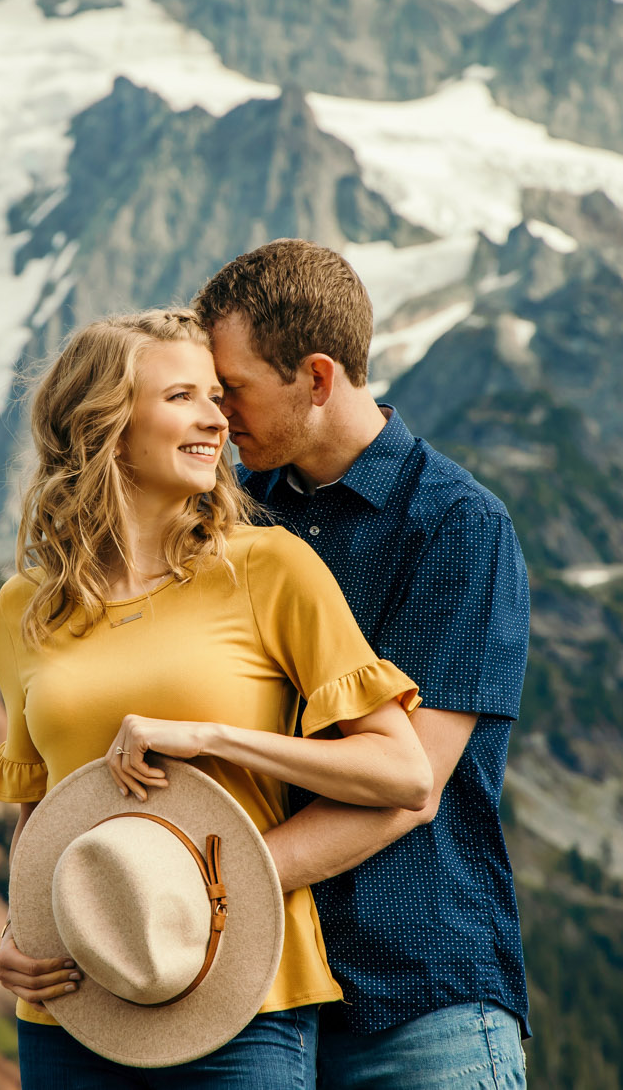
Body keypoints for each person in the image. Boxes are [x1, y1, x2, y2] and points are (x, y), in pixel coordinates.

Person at [0, 307, 435, 1087]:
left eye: (218, 396)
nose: (216, 418)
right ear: (108, 426)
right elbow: (44, 802)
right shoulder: (25, 607)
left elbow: (403, 772)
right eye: (183, 397)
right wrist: (17, 923)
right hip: (72, 999)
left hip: (244, 1001)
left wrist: (213, 738)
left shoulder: (267, 568)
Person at [194, 239, 533, 1090]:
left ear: (315, 377)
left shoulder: (458, 525)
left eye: (232, 388)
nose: (216, 411)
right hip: (261, 1002)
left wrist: (205, 887)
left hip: (422, 1002)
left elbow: (408, 787)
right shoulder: (233, 517)